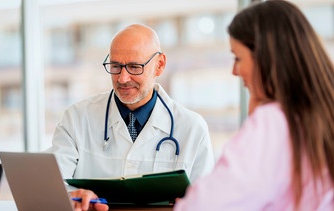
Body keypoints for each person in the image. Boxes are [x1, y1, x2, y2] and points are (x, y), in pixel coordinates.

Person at [174, 0, 334, 210]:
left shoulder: (273, 122)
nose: (234, 71)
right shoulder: (322, 116)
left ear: (265, 58)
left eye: (238, 58)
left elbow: (202, 205)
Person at [45, 24, 215, 211]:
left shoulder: (192, 128)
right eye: (116, 66)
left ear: (159, 65)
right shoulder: (76, 118)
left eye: (134, 67)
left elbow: (206, 203)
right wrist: (73, 197)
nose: (123, 78)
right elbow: (51, 188)